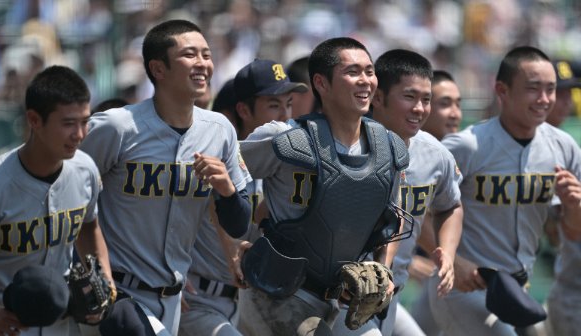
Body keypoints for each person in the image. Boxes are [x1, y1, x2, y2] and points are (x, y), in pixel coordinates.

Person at [79, 19, 251, 335]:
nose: (203, 63)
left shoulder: (219, 131)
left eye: (207, 54)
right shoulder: (118, 127)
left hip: (173, 299)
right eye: (190, 54)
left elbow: (238, 223)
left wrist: (227, 191)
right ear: (158, 69)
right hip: (117, 293)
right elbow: (65, 184)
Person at [237, 37, 409, 336]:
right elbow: (216, 179)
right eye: (353, 71)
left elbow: (390, 222)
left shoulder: (388, 150)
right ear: (322, 83)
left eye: (369, 71)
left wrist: (383, 267)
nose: (365, 80)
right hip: (276, 293)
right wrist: (230, 246)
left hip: (340, 298)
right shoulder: (285, 139)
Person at [0, 65, 113, 336]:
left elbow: (89, 226)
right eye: (68, 123)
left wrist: (105, 278)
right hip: (1, 330)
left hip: (63, 328)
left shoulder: (85, 170)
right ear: (34, 120)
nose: (80, 134)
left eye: (84, 121)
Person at [429, 46, 581, 336]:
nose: (545, 99)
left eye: (551, 89)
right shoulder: (468, 146)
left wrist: (575, 207)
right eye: (533, 89)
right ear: (502, 90)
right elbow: (416, 210)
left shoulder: (564, 147)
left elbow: (571, 233)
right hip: (464, 288)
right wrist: (451, 259)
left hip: (517, 290)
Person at [331, 49, 463, 336]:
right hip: (345, 292)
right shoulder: (345, 148)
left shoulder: (434, 153)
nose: (419, 108)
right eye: (409, 97)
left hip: (391, 292)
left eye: (426, 99)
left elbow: (450, 205)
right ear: (378, 97)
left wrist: (448, 254)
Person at [180, 58, 305, 336]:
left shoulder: (280, 167)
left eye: (288, 104)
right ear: (243, 110)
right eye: (274, 105)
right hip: (198, 298)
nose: (285, 116)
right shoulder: (211, 158)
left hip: (246, 303)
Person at [409, 69, 464, 336]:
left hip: (449, 276)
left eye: (458, 103)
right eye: (444, 103)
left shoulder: (461, 151)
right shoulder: (394, 149)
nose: (455, 113)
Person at [544, 59, 581, 336]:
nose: (566, 100)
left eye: (570, 92)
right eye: (560, 92)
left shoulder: (568, 142)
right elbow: (557, 231)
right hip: (572, 291)